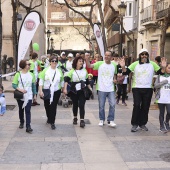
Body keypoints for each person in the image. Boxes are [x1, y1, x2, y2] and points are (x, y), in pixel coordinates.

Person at [119, 48, 167, 132]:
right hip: (137, 88)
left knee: (145, 106)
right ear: (140, 56)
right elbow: (126, 72)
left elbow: (161, 72)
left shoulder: (152, 64)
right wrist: (123, 67)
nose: (144, 56)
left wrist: (163, 67)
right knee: (137, 105)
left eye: (146, 54)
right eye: (142, 54)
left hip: (148, 88)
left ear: (148, 56)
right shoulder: (135, 64)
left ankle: (142, 123)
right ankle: (134, 124)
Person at [85, 51, 117, 127]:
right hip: (102, 88)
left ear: (111, 57)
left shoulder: (114, 65)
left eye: (108, 55)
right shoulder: (100, 63)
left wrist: (115, 80)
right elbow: (89, 66)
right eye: (105, 55)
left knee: (112, 104)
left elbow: (115, 75)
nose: (106, 57)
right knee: (101, 105)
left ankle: (111, 120)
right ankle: (101, 119)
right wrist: (87, 59)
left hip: (111, 88)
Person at [63, 56, 92, 128]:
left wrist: (90, 88)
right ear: (76, 62)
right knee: (75, 104)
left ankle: (82, 120)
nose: (81, 62)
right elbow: (66, 80)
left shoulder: (84, 70)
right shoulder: (72, 71)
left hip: (83, 90)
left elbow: (87, 80)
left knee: (82, 104)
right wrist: (65, 89)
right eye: (80, 61)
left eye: (82, 61)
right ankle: (75, 117)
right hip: (74, 90)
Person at [39, 56, 64, 130]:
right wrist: (40, 91)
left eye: (55, 61)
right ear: (50, 62)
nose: (54, 62)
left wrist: (63, 89)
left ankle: (52, 122)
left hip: (56, 90)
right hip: (47, 90)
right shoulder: (45, 70)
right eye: (52, 61)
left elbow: (62, 80)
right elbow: (41, 81)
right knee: (47, 105)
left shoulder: (59, 71)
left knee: (53, 106)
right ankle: (49, 117)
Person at [12, 60, 36, 133]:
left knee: (28, 111)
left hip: (29, 95)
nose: (29, 65)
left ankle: (28, 126)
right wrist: (21, 90)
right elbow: (14, 84)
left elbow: (33, 86)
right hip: (20, 95)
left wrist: (34, 95)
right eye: (28, 64)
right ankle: (22, 122)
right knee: (21, 109)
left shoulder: (32, 75)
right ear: (24, 65)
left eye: (29, 64)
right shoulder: (18, 74)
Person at [154, 63, 170, 133]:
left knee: (169, 112)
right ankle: (161, 127)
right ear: (165, 68)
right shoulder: (160, 76)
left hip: (169, 98)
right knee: (162, 113)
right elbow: (156, 86)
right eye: (169, 68)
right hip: (161, 98)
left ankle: (166, 122)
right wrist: (163, 82)